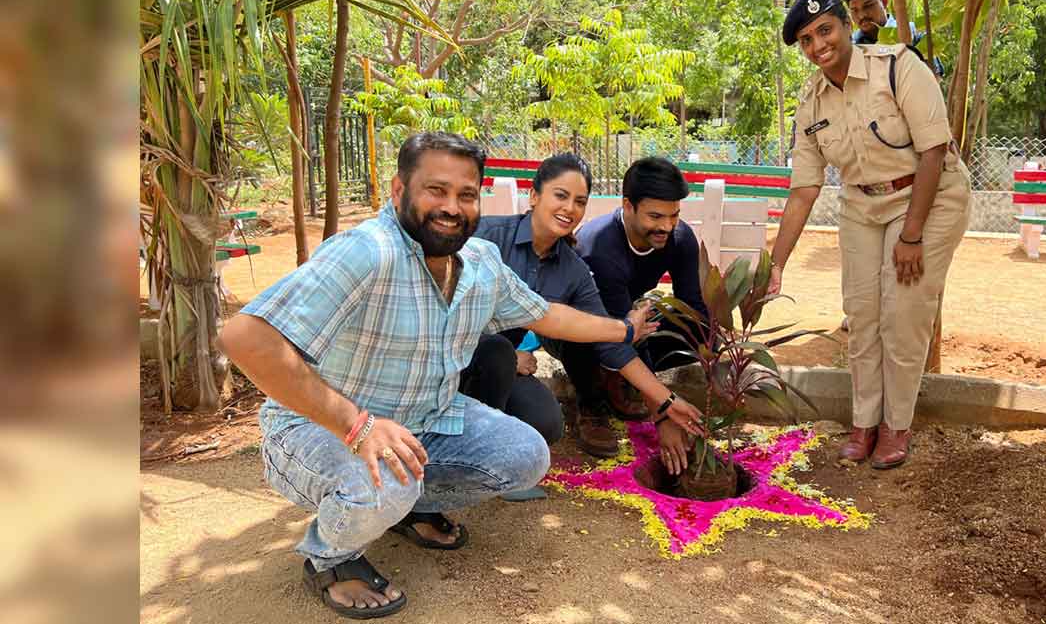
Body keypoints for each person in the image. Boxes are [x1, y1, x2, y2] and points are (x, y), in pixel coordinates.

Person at [218, 132, 672, 619]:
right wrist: (357, 425)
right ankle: (330, 556)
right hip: (319, 430)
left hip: (425, 420)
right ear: (399, 191)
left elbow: (548, 315)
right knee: (385, 483)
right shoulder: (368, 252)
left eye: (466, 194)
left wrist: (623, 326)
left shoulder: (479, 262)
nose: (451, 207)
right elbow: (245, 337)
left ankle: (402, 506)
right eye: (436, 190)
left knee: (525, 455)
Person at [774, 0, 970, 470]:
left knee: (902, 314)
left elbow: (933, 151)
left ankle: (895, 427)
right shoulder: (811, 100)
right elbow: (803, 189)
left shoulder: (898, 66)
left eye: (825, 30)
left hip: (930, 194)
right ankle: (863, 423)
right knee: (862, 314)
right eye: (806, 39)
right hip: (863, 204)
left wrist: (912, 235)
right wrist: (774, 265)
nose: (819, 45)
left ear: (845, 25)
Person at [471, 154, 704, 472]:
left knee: (548, 424)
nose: (570, 208)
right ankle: (482, 453)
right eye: (560, 195)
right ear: (535, 195)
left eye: (579, 201)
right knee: (499, 351)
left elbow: (609, 338)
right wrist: (506, 355)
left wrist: (665, 402)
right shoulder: (486, 238)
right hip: (452, 354)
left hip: (507, 364)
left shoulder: (573, 269)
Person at [567, 157, 710, 459]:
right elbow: (620, 332)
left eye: (674, 215)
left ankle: (620, 379)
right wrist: (663, 412)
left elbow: (694, 306)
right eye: (655, 216)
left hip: (626, 318)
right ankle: (591, 403)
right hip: (578, 327)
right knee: (589, 338)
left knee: (699, 330)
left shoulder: (679, 237)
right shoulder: (599, 249)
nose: (666, 226)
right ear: (628, 205)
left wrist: (717, 368)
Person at [843, 0, 945, 77]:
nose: (862, 15)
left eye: (868, 5)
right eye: (854, 10)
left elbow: (934, 82)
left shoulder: (915, 34)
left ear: (884, 1)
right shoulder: (852, 47)